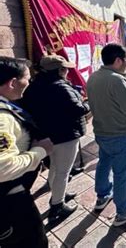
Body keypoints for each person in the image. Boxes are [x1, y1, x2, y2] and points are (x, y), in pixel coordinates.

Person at [22, 55, 90, 220]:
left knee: (55, 167)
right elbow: (79, 109)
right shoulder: (61, 87)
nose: (67, 71)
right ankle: (57, 206)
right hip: (65, 135)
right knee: (63, 171)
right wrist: (87, 104)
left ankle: (59, 193)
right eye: (65, 68)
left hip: (46, 136)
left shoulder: (33, 86)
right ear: (59, 71)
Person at [86, 44, 126, 227]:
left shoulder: (93, 77)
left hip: (101, 132)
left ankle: (102, 196)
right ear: (118, 60)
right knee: (122, 173)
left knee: (104, 163)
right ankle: (124, 211)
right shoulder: (116, 80)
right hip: (119, 134)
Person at [0, 57, 53, 247]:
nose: (29, 82)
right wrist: (40, 151)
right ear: (13, 83)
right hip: (9, 196)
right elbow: (3, 168)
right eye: (27, 78)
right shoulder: (2, 119)